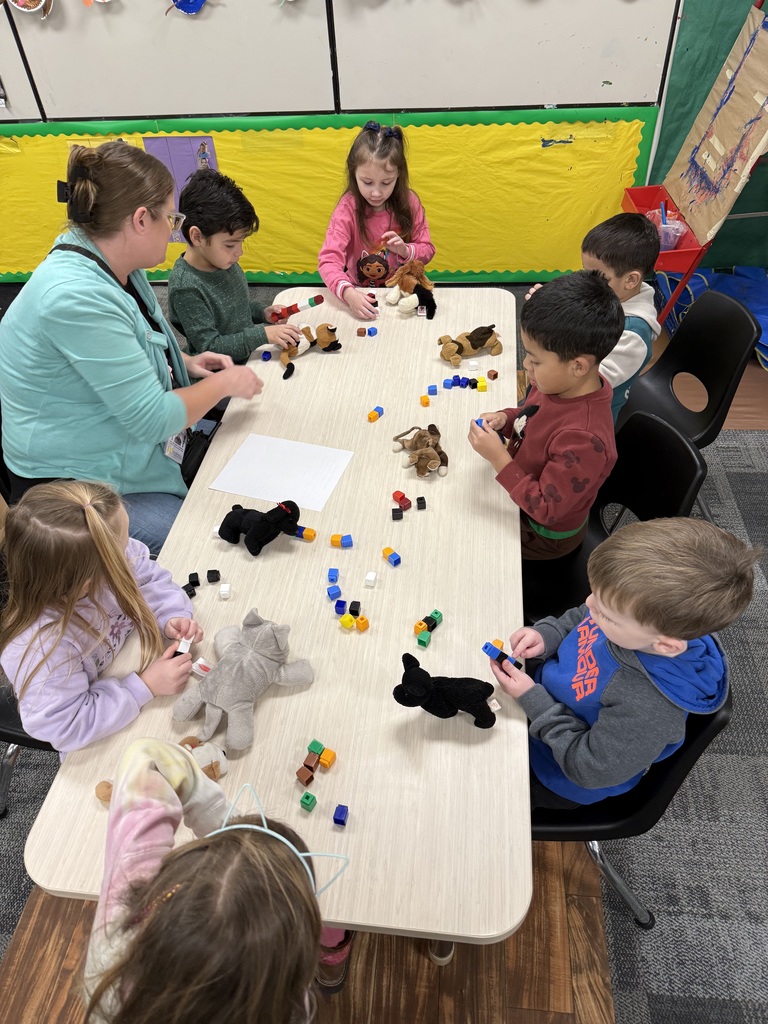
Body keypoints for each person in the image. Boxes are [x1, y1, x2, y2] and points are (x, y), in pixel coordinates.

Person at [0, 141, 262, 554]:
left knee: (243, 454)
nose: (174, 228)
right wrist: (225, 383)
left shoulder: (107, 259)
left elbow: (129, 346)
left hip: (115, 443)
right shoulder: (74, 296)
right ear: (141, 220)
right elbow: (152, 420)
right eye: (171, 217)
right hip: (67, 487)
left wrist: (186, 364)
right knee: (207, 543)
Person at [486, 518, 760, 809]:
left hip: (553, 770)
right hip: (536, 703)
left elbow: (587, 768)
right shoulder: (635, 622)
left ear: (665, 645)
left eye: (606, 614)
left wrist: (533, 701)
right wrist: (549, 634)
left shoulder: (649, 707)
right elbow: (584, 614)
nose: (590, 605)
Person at [83, 737, 323, 1024]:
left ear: (166, 888)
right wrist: (220, 824)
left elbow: (145, 757)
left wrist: (224, 827)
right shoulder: (291, 1011)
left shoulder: (117, 939)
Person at [0, 481, 201, 754]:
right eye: (122, 548)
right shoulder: (42, 646)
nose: (130, 549)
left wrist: (170, 615)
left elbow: (147, 576)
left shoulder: (108, 557)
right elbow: (66, 727)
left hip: (125, 672)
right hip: (98, 737)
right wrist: (143, 687)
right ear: (85, 584)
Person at [468, 270, 623, 560]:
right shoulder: (558, 383)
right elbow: (532, 416)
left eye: (535, 359)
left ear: (578, 366)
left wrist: (499, 458)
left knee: (466, 537)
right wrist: (506, 419)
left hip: (542, 534)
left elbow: (546, 509)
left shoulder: (585, 440)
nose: (526, 365)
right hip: (519, 490)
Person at [528, 212, 661, 421]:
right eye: (584, 271)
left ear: (631, 280)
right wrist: (548, 308)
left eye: (598, 276)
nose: (588, 282)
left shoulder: (633, 335)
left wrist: (552, 326)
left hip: (589, 417)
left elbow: (586, 384)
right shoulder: (613, 293)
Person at [167, 169, 301, 363]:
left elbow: (233, 309)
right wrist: (263, 335)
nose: (239, 252)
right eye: (230, 244)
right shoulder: (186, 287)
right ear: (197, 237)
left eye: (241, 242)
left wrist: (261, 312)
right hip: (217, 375)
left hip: (247, 356)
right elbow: (210, 348)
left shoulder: (221, 260)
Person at [318, 120, 435, 320]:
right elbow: (328, 261)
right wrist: (348, 293)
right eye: (367, 182)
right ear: (353, 173)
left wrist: (406, 251)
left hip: (401, 293)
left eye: (386, 183)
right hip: (359, 292)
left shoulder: (410, 202)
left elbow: (428, 250)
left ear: (399, 175)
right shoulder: (348, 208)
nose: (376, 192)